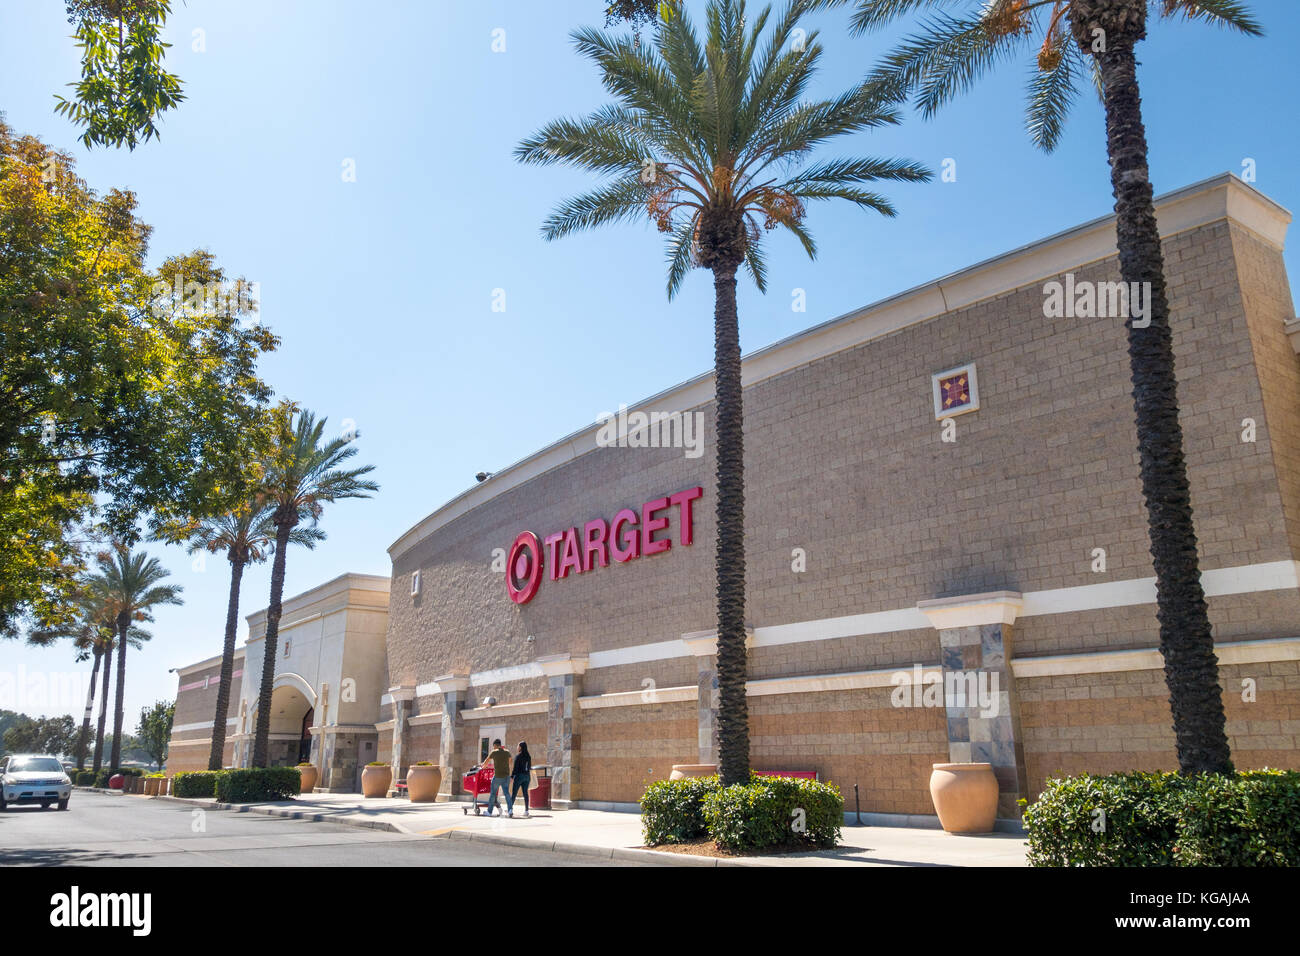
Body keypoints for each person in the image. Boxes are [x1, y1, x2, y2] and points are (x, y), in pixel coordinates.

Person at [481, 739, 512, 816]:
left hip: (497, 777)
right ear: (500, 744)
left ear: (495, 745)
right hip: (506, 776)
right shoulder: (507, 752)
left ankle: (489, 812)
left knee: (493, 794)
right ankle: (510, 810)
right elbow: (510, 761)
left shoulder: (494, 752)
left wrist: (483, 767)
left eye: (493, 746)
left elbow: (486, 762)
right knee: (507, 793)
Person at [508, 741, 532, 818]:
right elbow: (529, 767)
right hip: (527, 776)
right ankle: (526, 810)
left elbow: (515, 768)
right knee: (525, 793)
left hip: (519, 777)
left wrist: (512, 777)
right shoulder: (528, 756)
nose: (517, 747)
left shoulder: (518, 756)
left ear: (520, 747)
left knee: (514, 793)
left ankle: (510, 809)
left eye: (518, 746)